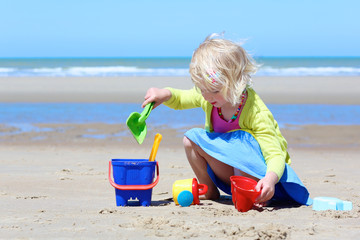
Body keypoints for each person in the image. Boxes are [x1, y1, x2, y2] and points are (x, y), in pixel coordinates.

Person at [142, 34, 312, 207]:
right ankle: (209, 189)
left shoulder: (255, 111)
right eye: (201, 89)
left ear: (235, 81)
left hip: (266, 177)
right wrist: (165, 94)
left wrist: (269, 180)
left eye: (214, 90)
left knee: (243, 142)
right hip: (232, 171)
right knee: (191, 139)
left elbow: (275, 154)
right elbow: (182, 98)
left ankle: (256, 193)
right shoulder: (209, 97)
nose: (207, 97)